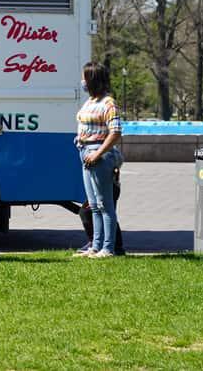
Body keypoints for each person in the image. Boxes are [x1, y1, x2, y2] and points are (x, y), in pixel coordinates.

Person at [74, 62, 124, 258]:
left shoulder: (108, 103)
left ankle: (108, 248)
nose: (82, 82)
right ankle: (95, 246)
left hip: (99, 156)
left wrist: (98, 153)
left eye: (85, 78)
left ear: (92, 80)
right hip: (86, 153)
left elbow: (115, 132)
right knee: (93, 205)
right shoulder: (91, 102)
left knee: (105, 205)